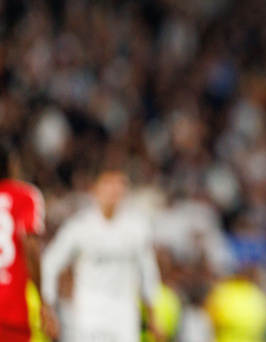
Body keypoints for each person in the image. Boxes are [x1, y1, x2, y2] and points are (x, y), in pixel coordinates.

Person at [41, 171, 162, 342]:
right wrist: (48, 306)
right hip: (90, 314)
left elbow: (147, 271)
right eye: (108, 184)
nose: (114, 190)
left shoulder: (137, 227)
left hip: (124, 314)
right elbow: (50, 263)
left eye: (119, 184)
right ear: (95, 189)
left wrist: (152, 316)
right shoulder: (80, 226)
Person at [0, 144, 55, 342]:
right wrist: (42, 300)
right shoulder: (26, 196)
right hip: (12, 313)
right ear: (11, 165)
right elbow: (31, 248)